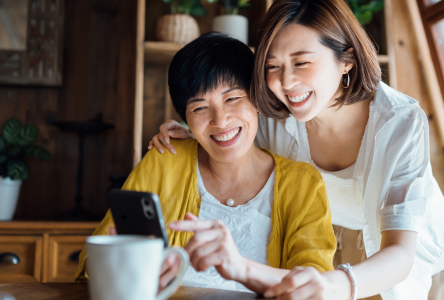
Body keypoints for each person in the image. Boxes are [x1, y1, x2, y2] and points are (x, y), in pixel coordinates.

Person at [149, 1, 444, 299]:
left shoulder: (400, 121)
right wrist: (189, 132)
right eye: (272, 66)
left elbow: (400, 251)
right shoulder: (275, 117)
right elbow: (230, 127)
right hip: (328, 251)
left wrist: (333, 284)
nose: (285, 83)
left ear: (347, 59)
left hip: (408, 257)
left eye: (301, 62)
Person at [75, 32, 336, 294]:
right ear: (185, 116)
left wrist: (242, 267)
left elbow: (316, 286)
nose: (220, 121)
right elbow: (93, 255)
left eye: (232, 98)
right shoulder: (165, 161)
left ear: (257, 98)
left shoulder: (303, 184)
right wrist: (120, 262)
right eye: (199, 108)